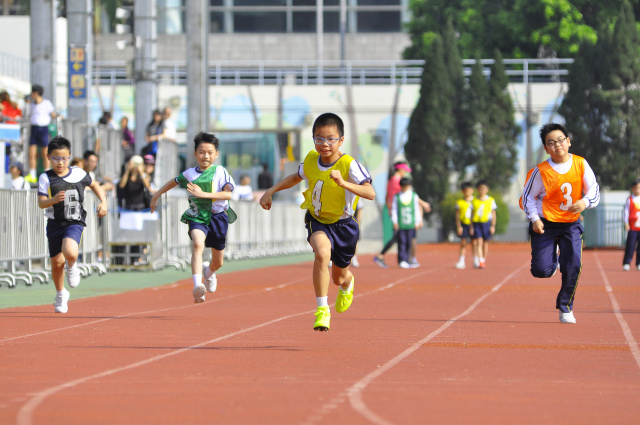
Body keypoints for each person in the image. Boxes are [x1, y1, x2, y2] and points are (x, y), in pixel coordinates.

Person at [259, 112, 375, 332]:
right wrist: (271, 191)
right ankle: (322, 310)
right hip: (317, 220)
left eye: (331, 139)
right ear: (313, 139)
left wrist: (344, 183)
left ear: (341, 140)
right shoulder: (312, 160)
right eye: (319, 138)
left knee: (338, 278)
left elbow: (370, 193)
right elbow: (296, 177)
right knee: (322, 254)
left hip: (344, 225)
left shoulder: (349, 165)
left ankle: (348, 282)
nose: (325, 144)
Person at [522, 123, 600, 324]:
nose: (557, 145)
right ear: (546, 148)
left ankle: (566, 307)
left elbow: (594, 190)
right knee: (541, 271)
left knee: (573, 263)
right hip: (545, 223)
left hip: (570, 223)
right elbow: (527, 197)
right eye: (551, 143)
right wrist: (535, 219)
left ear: (568, 141)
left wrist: (584, 202)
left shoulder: (581, 164)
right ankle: (553, 260)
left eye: (560, 140)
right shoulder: (540, 171)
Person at [150, 132, 235, 303]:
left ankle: (209, 272)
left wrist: (204, 194)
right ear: (195, 153)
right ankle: (198, 286)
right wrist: (157, 195)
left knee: (218, 262)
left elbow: (228, 195)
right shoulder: (189, 174)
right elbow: (173, 181)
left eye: (210, 152)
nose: (206, 156)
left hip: (218, 218)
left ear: (216, 154)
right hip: (198, 216)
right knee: (197, 244)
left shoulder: (220, 171)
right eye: (202, 152)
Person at [36, 136, 107, 313]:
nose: (60, 162)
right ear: (48, 157)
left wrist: (103, 202)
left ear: (69, 156)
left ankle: (73, 265)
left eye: (64, 158)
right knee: (56, 263)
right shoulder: (46, 177)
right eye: (56, 158)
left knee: (69, 251)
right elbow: (41, 203)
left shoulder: (79, 173)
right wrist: (53, 199)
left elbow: (95, 185)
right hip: (54, 223)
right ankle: (61, 294)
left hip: (74, 221)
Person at [373, 162, 430, 268]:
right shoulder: (397, 181)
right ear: (400, 170)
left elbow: (387, 196)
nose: (405, 173)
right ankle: (391, 257)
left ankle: (405, 258)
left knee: (399, 238)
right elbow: (407, 196)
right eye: (404, 170)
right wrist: (423, 204)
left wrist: (389, 206)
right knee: (400, 238)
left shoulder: (390, 180)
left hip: (395, 213)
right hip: (400, 215)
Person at [26, 84, 57, 183]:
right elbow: (27, 114)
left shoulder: (46, 103)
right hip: (34, 128)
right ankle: (32, 174)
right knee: (32, 152)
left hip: (43, 129)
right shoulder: (31, 104)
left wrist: (58, 116)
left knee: (45, 152)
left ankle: (47, 173)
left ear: (36, 93)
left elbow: (53, 114)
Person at [392, 177, 421, 269]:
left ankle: (407, 259)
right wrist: (395, 221)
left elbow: (416, 209)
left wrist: (417, 221)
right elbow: (394, 209)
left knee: (409, 242)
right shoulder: (397, 196)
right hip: (401, 225)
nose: (405, 188)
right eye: (403, 186)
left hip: (411, 224)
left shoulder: (414, 196)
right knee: (402, 242)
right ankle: (402, 260)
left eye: (406, 186)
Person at [471, 180, 496, 269]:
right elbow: (471, 214)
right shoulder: (474, 201)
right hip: (477, 223)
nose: (482, 190)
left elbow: (493, 214)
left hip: (486, 223)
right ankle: (480, 260)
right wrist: (471, 227)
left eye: (483, 188)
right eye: (480, 188)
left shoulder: (491, 200)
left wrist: (493, 226)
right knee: (479, 241)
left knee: (485, 243)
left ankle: (483, 259)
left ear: (487, 189)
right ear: (477, 189)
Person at [454, 181, 474, 269]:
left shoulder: (475, 201)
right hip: (464, 224)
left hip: (474, 224)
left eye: (469, 190)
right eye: (465, 190)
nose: (467, 192)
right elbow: (457, 215)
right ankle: (461, 261)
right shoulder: (459, 202)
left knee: (474, 243)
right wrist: (459, 226)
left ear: (472, 190)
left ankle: (476, 260)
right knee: (463, 242)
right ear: (463, 191)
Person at [622, 180, 640, 271]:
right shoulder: (630, 199)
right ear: (633, 189)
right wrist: (626, 223)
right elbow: (626, 212)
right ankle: (627, 262)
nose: (638, 190)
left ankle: (639, 263)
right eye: (636, 188)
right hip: (632, 227)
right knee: (631, 245)